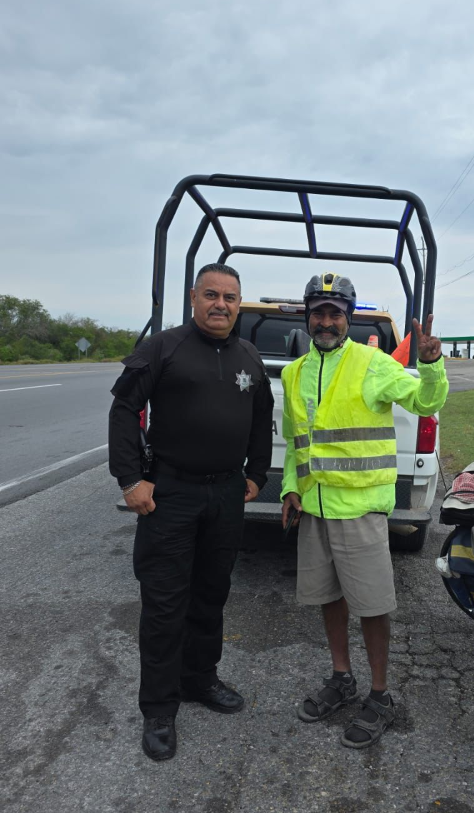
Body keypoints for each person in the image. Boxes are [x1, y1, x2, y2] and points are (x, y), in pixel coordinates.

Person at [108, 262, 273, 762]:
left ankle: (200, 679)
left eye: (230, 297)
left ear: (239, 304)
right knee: (164, 603)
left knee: (210, 594)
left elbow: (262, 419)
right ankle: (159, 708)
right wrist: (131, 479)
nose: (220, 304)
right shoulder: (165, 347)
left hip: (225, 495)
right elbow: (123, 410)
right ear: (194, 298)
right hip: (171, 494)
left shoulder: (249, 356)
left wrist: (257, 475)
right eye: (211, 295)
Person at [280, 272, 448, 749]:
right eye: (319, 312)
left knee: (372, 606)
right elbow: (297, 443)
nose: (326, 320)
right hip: (314, 509)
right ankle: (341, 678)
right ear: (308, 317)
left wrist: (431, 362)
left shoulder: (371, 363)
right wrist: (291, 488)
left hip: (361, 512)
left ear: (348, 319)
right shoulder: (294, 373)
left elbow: (425, 400)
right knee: (328, 599)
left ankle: (379, 694)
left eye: (335, 313)